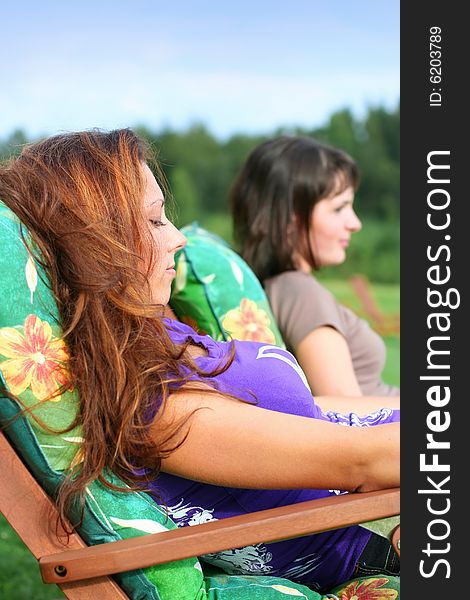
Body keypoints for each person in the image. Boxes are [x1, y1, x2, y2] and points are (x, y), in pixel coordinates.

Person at [0, 129, 399, 592]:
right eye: (153, 221)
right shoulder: (151, 406)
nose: (177, 239)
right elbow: (359, 463)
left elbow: (324, 417)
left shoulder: (156, 339)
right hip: (372, 519)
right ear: (94, 245)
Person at [230, 136, 399, 397]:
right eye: (339, 208)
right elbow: (346, 410)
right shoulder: (299, 290)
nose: (355, 223)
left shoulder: (282, 287)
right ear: (290, 219)